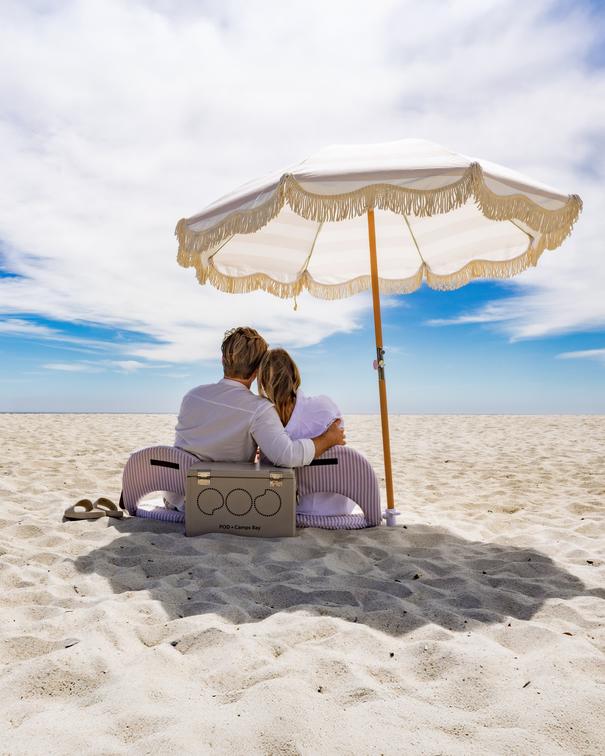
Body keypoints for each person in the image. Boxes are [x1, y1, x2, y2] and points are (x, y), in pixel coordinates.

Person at [164, 327, 345, 510]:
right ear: (257, 371)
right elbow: (288, 456)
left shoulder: (192, 396)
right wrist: (328, 438)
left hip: (176, 497)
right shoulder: (259, 409)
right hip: (217, 505)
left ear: (222, 360)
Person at [257, 347, 357, 516]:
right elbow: (340, 441)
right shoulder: (325, 406)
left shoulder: (265, 423)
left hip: (288, 509)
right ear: (295, 376)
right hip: (335, 507)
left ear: (264, 384)